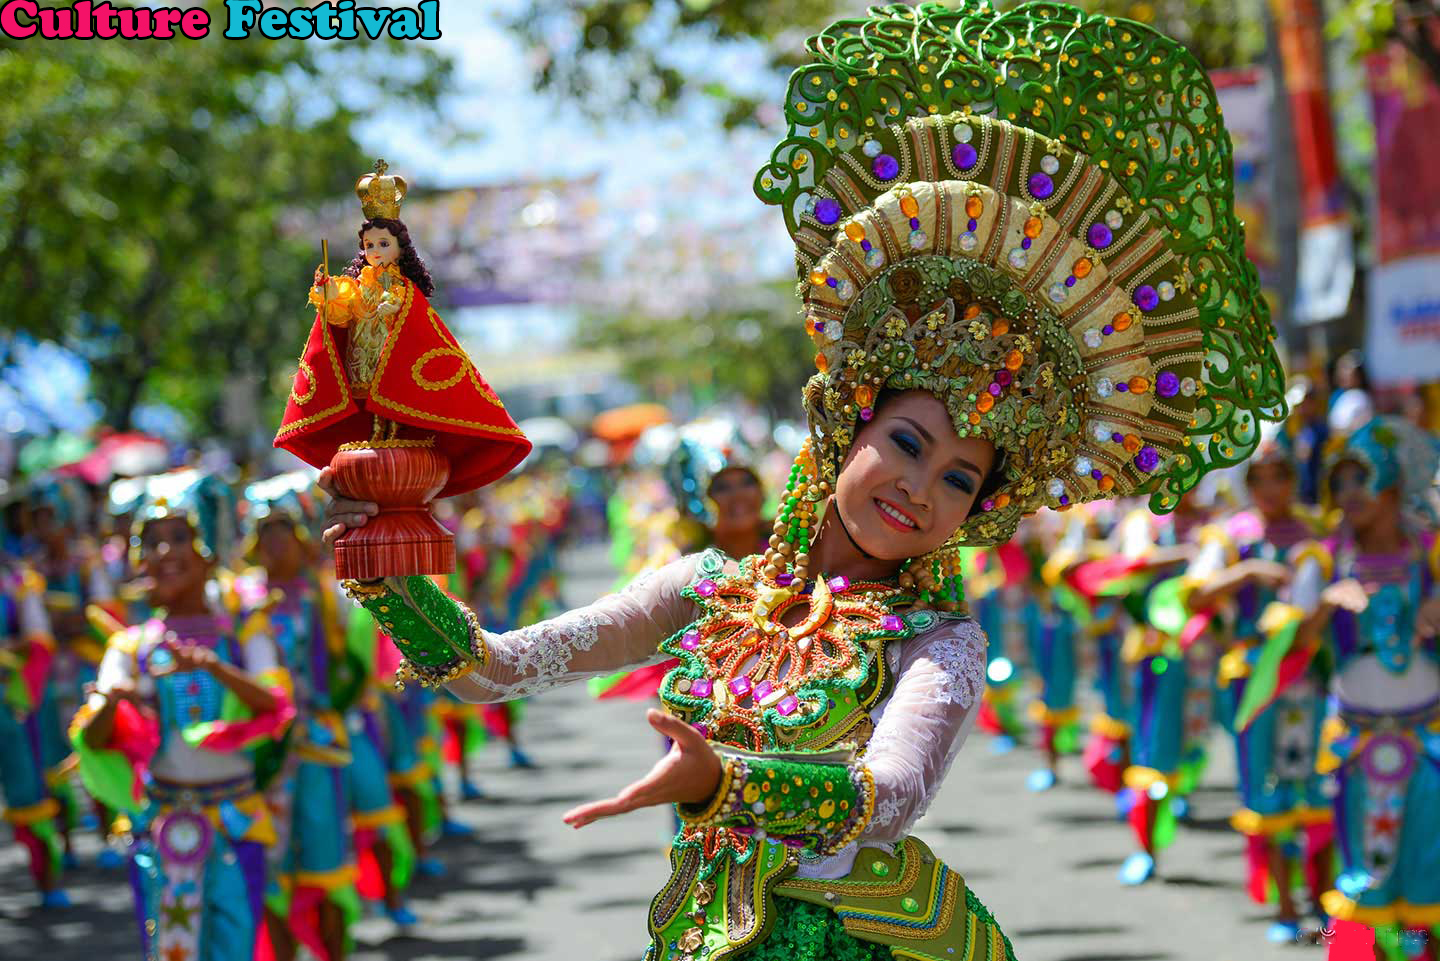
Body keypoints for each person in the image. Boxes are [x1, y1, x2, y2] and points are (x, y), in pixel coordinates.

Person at [320, 3, 1285, 956]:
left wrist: (724, 782)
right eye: (908, 444)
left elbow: (886, 797)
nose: (921, 489)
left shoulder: (939, 642)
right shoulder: (703, 589)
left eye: (959, 480)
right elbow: (493, 665)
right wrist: (384, 559)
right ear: (842, 430)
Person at [70, 470, 293, 961]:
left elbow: (275, 707)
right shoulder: (131, 646)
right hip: (164, 824)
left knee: (234, 944)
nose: (165, 553)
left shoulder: (242, 630)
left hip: (236, 819)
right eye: (152, 542)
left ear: (207, 546)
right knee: (171, 949)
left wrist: (214, 666)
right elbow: (96, 738)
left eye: (179, 537)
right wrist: (113, 703)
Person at [1303, 418, 1440, 959]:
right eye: (1341, 483)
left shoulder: (1431, 553)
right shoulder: (1324, 558)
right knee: (1362, 875)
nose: (1350, 494)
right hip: (1356, 746)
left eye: (1363, 480)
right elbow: (1288, 642)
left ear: (1393, 485)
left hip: (1429, 738)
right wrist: (1323, 606)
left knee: (1429, 868)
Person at [1190, 430, 1332, 941]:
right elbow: (1196, 596)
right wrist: (1246, 571)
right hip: (1255, 682)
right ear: (1248, 483)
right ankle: (1285, 908)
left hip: (1313, 678)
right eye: (1261, 477)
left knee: (1318, 784)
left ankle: (1325, 903)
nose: (1272, 487)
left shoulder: (1319, 527)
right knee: (1265, 787)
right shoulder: (1232, 535)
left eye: (1282, 475)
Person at [239, 472, 364, 961]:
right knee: (271, 873)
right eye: (264, 529)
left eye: (282, 528)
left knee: (324, 864)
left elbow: (349, 670)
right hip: (260, 754)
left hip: (316, 745)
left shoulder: (326, 595)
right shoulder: (238, 599)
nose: (273, 541)